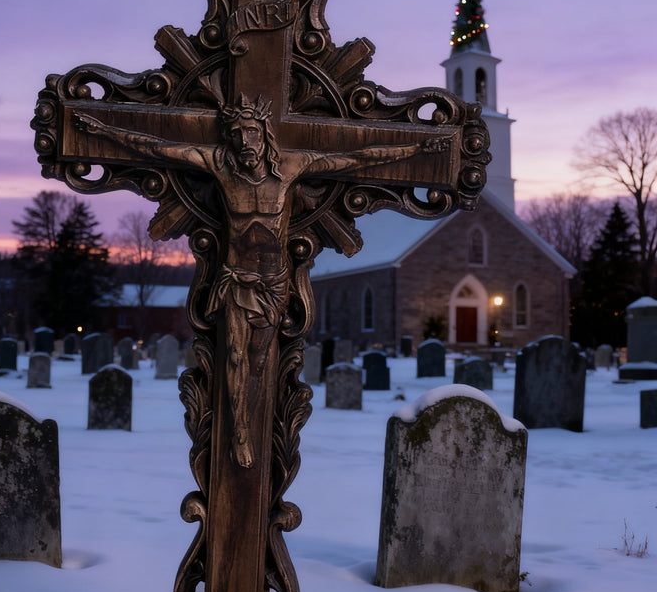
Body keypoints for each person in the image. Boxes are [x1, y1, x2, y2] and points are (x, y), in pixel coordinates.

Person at [74, 95, 448, 467]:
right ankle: (238, 432)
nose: (242, 142)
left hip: (273, 283)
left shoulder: (291, 165)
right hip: (235, 280)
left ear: (264, 132)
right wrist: (104, 130)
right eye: (235, 134)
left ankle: (250, 424)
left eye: (250, 132)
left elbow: (358, 158)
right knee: (234, 356)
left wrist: (417, 147)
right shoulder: (221, 165)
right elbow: (162, 149)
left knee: (258, 362)